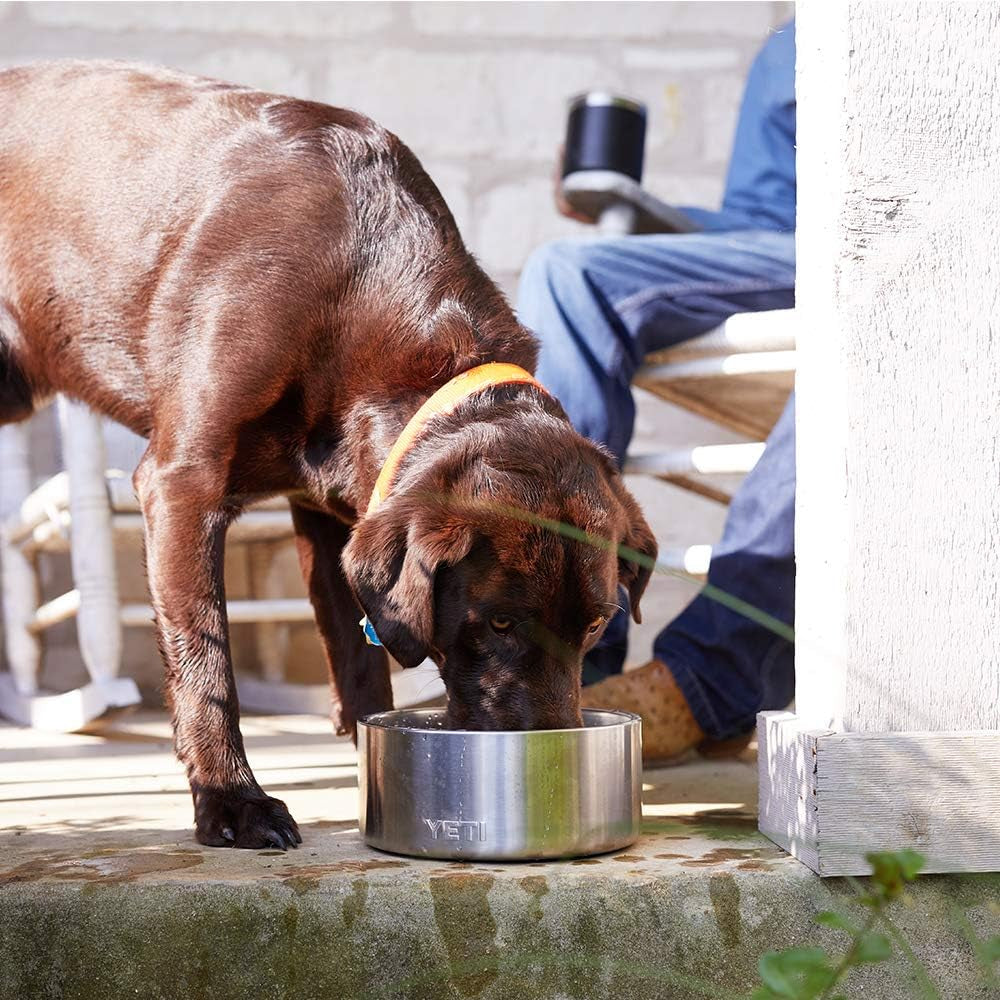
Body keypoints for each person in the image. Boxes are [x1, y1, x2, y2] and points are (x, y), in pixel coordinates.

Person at [516, 21, 796, 762]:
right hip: (795, 248)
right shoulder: (792, 44)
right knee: (566, 271)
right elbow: (762, 228)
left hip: (914, 245)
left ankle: (714, 677)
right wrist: (633, 213)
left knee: (870, 316)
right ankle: (570, 646)